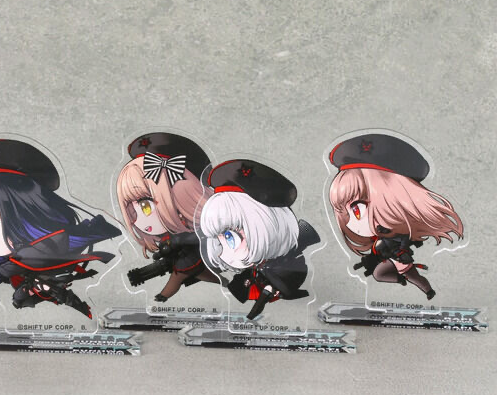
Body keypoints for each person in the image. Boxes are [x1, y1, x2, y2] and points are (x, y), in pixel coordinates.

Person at [0, 139, 121, 318]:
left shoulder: (62, 244)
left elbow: (51, 252)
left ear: (26, 211)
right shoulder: (18, 263)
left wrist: (19, 268)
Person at [328, 133, 464, 299]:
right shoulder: (380, 238)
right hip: (390, 262)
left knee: (414, 278)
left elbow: (403, 241)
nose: (350, 223)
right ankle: (402, 280)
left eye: (357, 210)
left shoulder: (397, 235)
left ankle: (428, 291)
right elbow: (378, 251)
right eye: (344, 211)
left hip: (400, 260)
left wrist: (401, 252)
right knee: (380, 274)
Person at [200, 159, 320, 319]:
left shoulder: (288, 265)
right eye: (221, 239)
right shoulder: (251, 270)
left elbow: (288, 281)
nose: (222, 254)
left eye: (230, 238)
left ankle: (253, 315)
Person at [116, 132, 218, 301]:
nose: (139, 220)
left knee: (182, 272)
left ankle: (163, 296)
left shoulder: (207, 226)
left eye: (145, 205)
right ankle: (223, 283)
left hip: (197, 256)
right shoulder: (170, 234)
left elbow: (202, 236)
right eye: (131, 210)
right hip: (184, 257)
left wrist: (179, 240)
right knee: (192, 272)